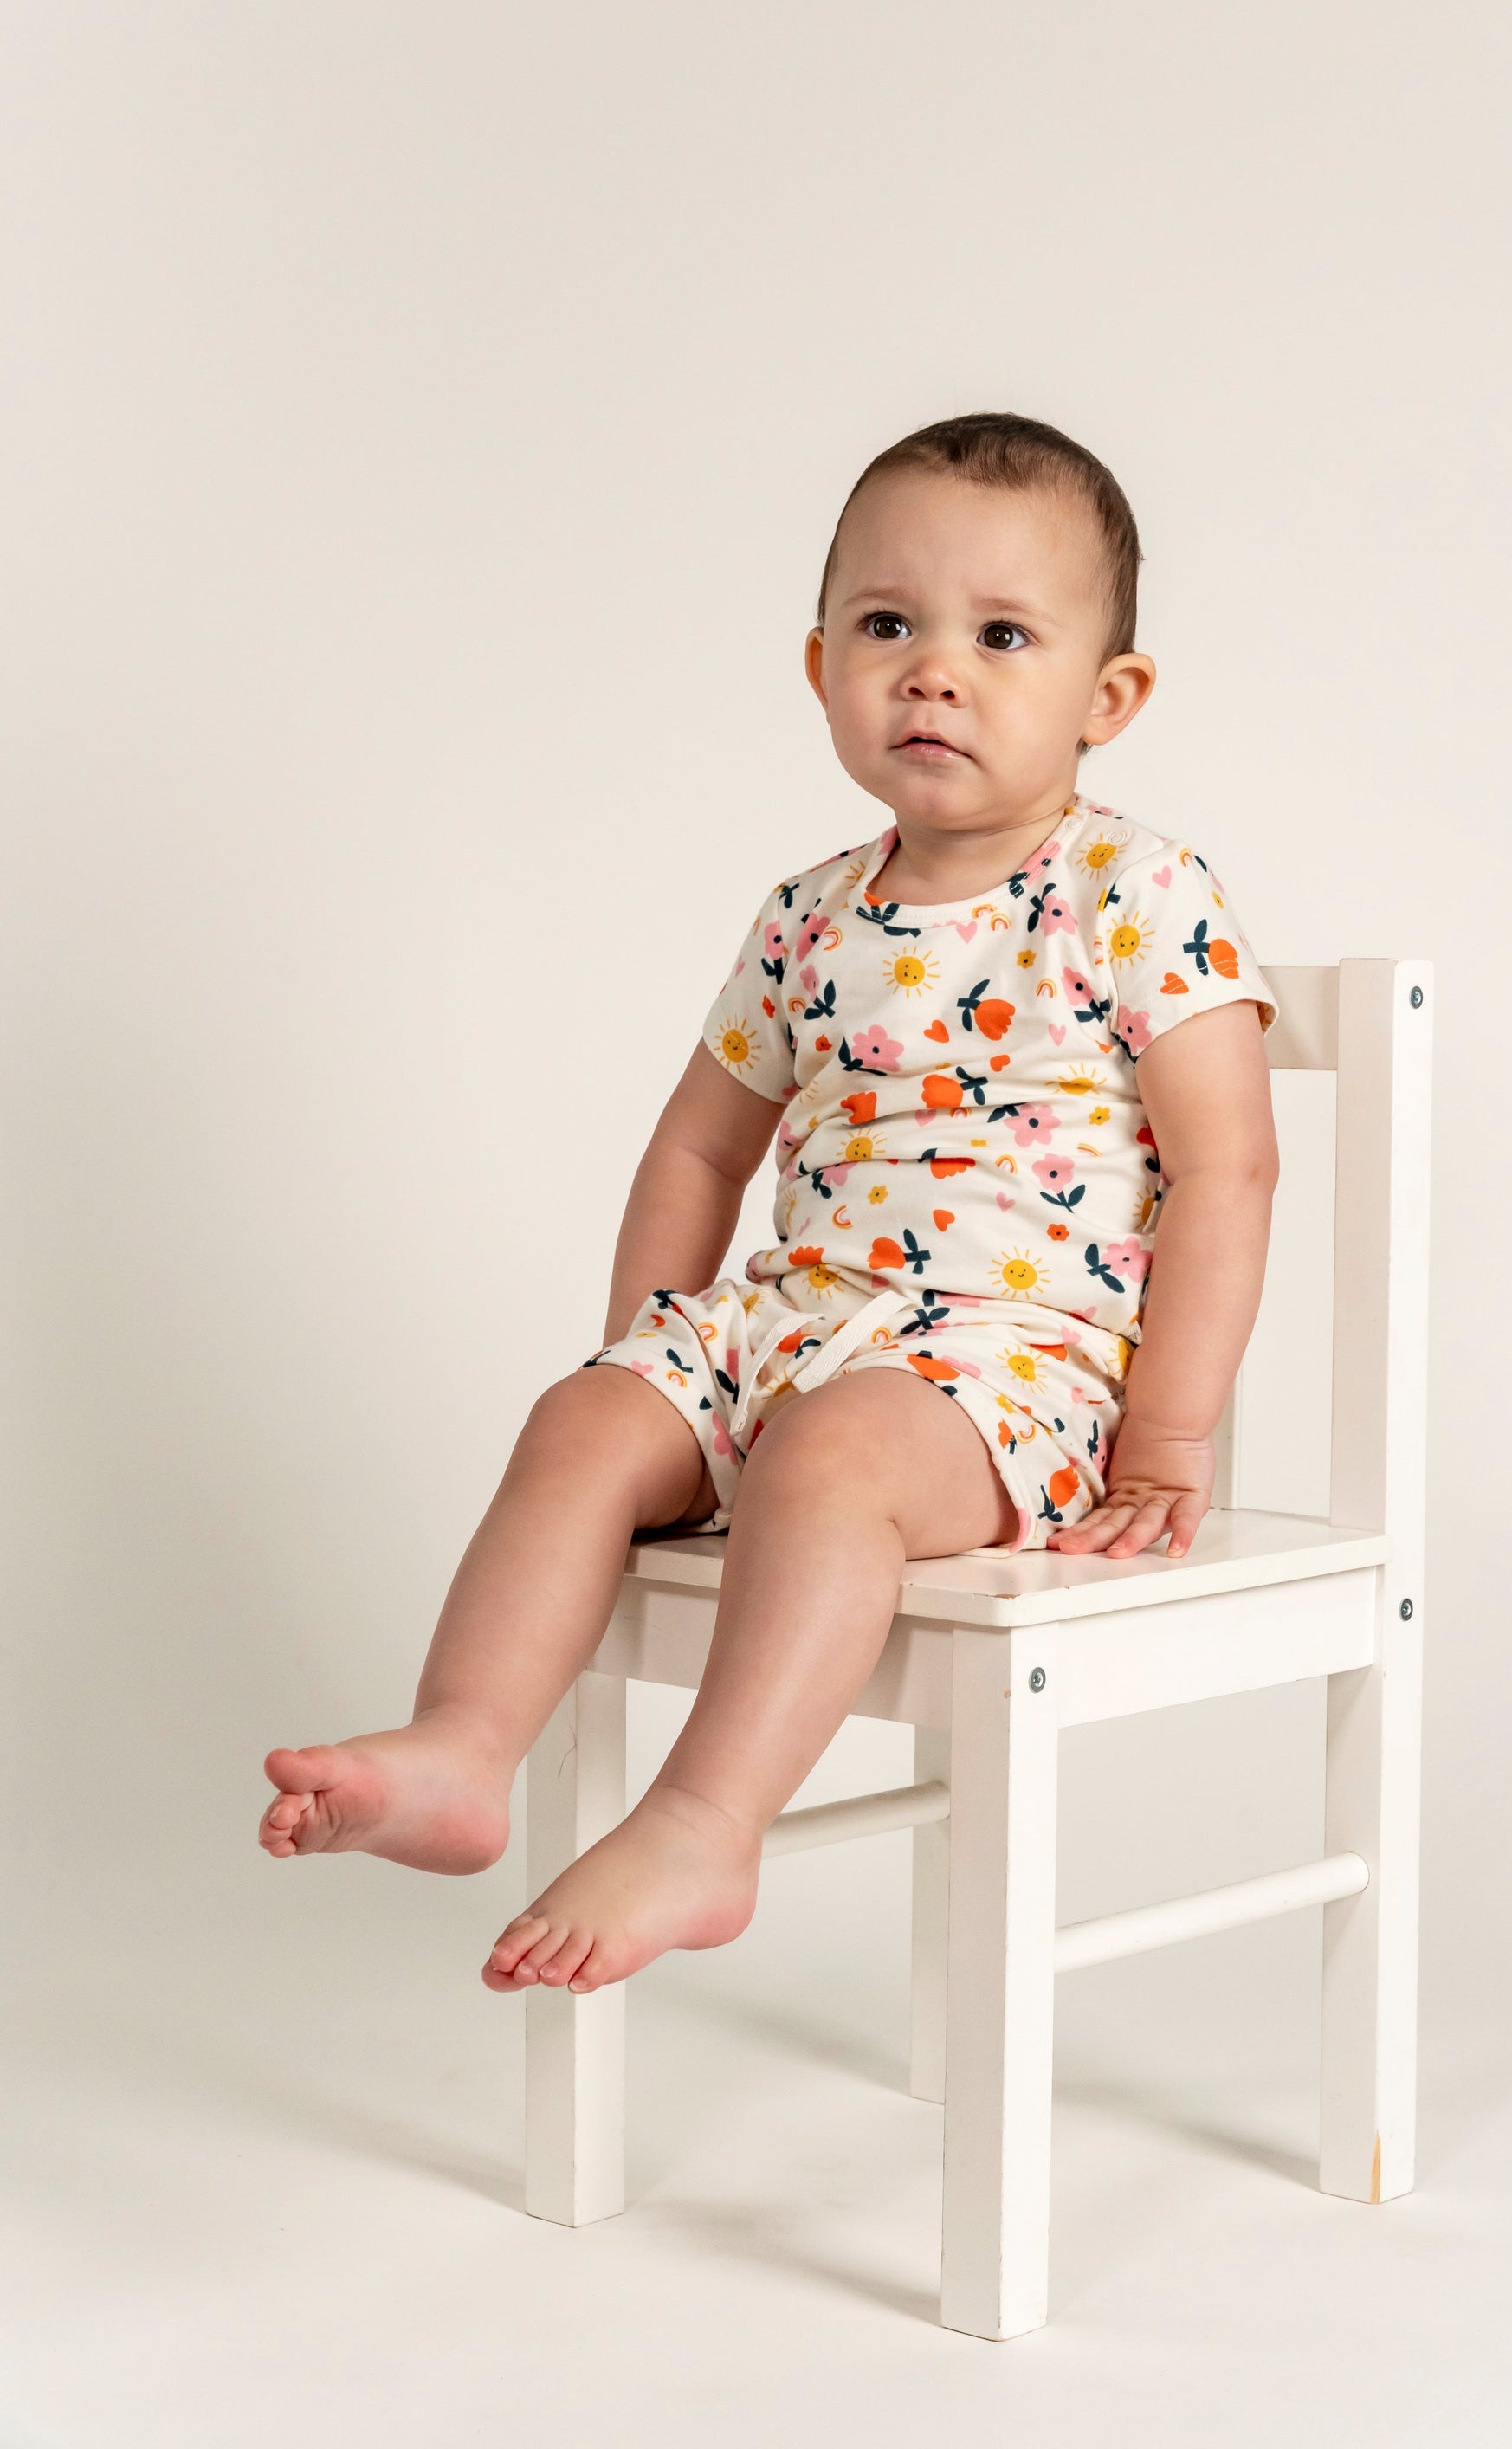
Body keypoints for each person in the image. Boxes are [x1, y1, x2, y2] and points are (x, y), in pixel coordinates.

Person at [258, 411, 1281, 1999]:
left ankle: (706, 1822)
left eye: (1003, 635)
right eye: (890, 626)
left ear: (1110, 698)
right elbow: (695, 1152)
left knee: (833, 1455)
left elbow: (1230, 1168)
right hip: (786, 1325)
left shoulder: (1135, 895)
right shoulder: (807, 916)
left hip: (1007, 1370)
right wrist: (648, 1369)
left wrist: (1171, 1437)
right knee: (577, 1420)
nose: (935, 669)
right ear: (821, 670)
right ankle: (465, 1749)